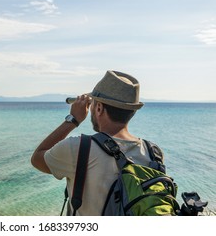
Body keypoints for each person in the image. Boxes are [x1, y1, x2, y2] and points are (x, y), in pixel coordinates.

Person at [31, 70, 157, 215]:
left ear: (98, 108)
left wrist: (73, 119)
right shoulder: (153, 152)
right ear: (132, 111)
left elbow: (37, 158)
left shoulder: (79, 148)